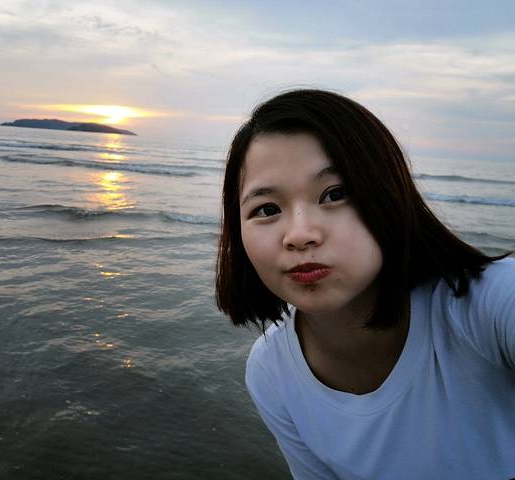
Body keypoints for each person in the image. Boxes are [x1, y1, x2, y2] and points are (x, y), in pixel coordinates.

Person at [215, 89, 515, 479]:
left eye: (335, 194)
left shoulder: (488, 305)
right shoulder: (271, 371)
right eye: (267, 209)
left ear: (391, 196)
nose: (300, 234)